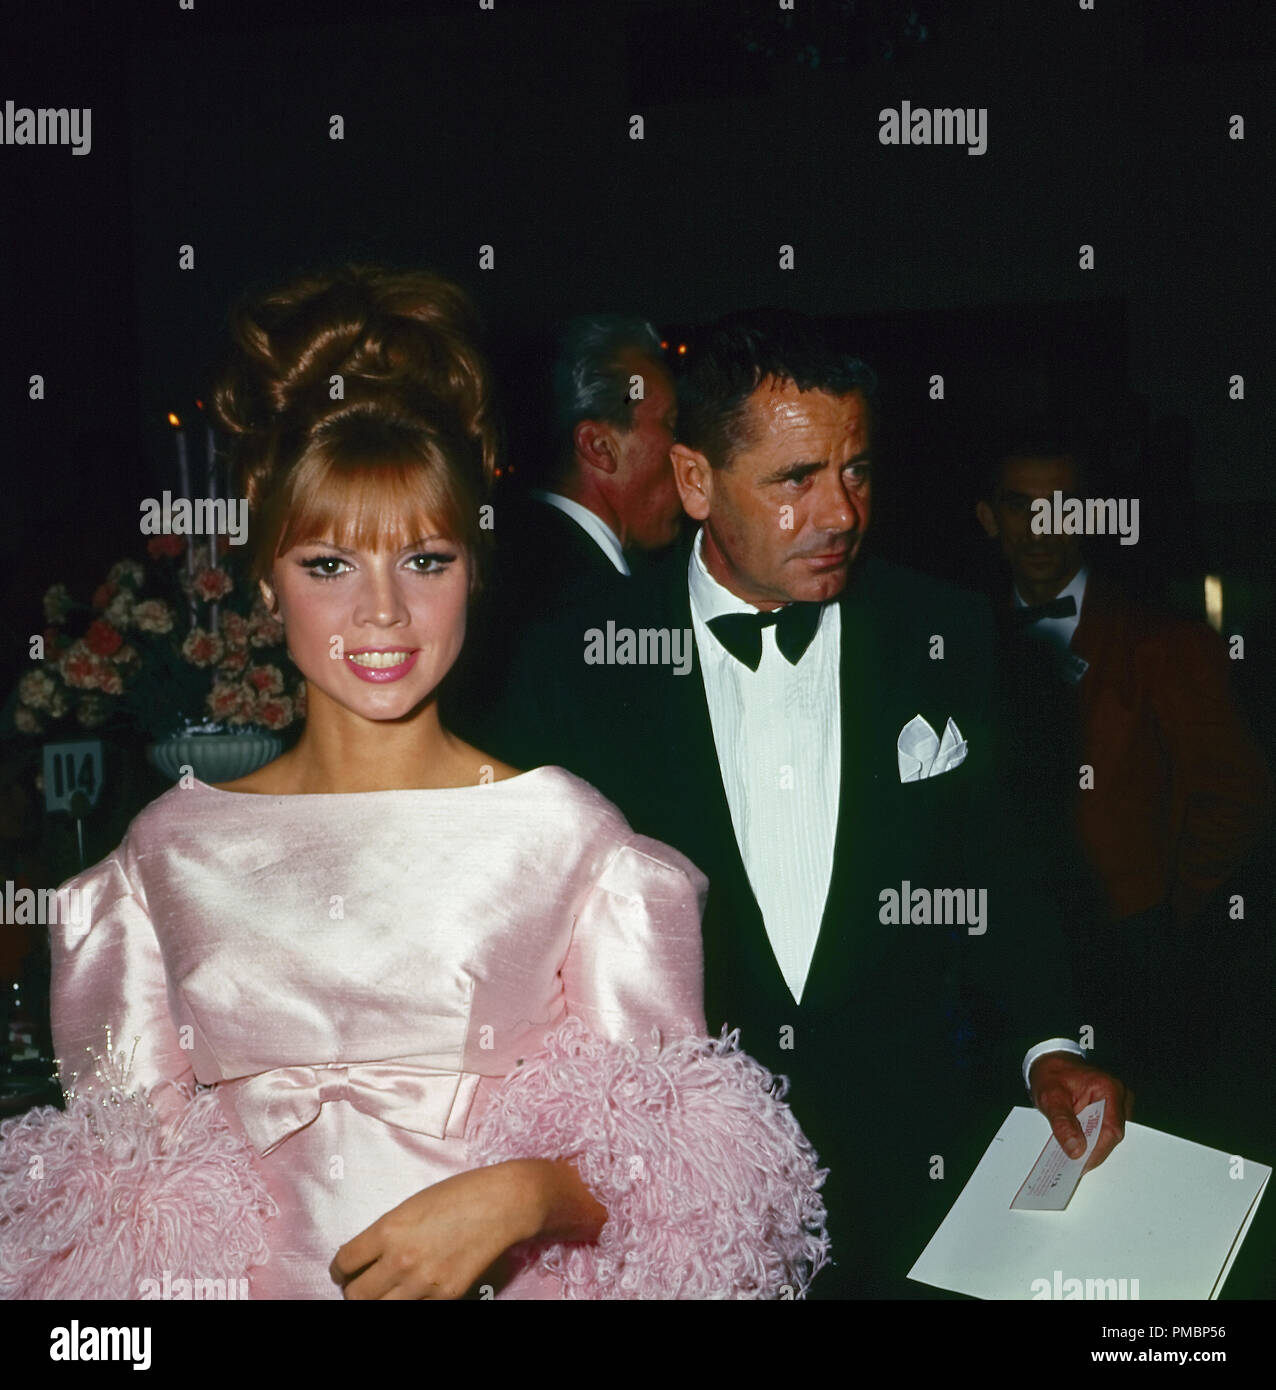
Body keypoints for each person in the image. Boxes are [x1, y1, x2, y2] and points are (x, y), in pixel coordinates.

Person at [0, 268, 829, 1301]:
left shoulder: (572, 841)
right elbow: (118, 1234)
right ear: (264, 583)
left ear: (474, 573)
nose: (382, 611)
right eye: (330, 565)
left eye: (426, 560)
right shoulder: (162, 857)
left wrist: (525, 1194)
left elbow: (687, 1203)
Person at [473, 309, 1133, 1297]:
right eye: (795, 479)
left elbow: (1007, 871)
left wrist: (1048, 1043)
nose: (841, 513)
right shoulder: (571, 654)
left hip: (916, 1164)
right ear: (695, 480)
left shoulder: (945, 631)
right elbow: (513, 929)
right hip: (673, 1190)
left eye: (856, 470)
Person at [975, 430, 1271, 1087]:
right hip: (1007, 964)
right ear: (990, 519)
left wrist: (1160, 913)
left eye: (1065, 507)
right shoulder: (960, 640)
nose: (1044, 528)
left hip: (1131, 961)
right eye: (1024, 506)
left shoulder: (1166, 642)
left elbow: (1238, 797)